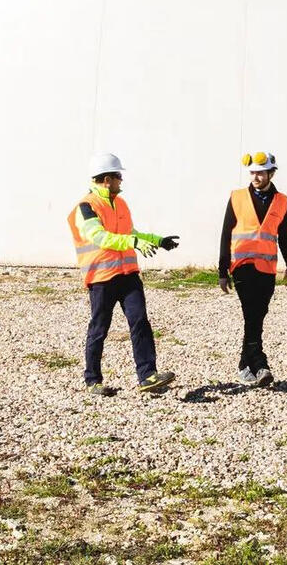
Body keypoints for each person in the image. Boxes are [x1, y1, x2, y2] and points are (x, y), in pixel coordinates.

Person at [66, 152, 179, 396]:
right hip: (102, 279)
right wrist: (133, 242)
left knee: (140, 322)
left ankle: (148, 376)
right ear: (107, 179)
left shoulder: (120, 203)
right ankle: (93, 380)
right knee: (99, 329)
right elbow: (99, 237)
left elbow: (131, 232)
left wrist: (158, 240)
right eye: (118, 176)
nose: (121, 180)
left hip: (128, 275)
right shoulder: (86, 207)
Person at [217, 150, 287, 386]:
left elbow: (286, 235)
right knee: (251, 314)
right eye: (252, 173)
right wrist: (222, 271)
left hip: (267, 268)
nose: (255, 177)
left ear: (271, 174)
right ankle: (261, 364)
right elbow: (225, 234)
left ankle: (244, 366)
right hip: (242, 266)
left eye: (260, 173)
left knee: (258, 315)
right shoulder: (237, 197)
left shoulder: (281, 201)